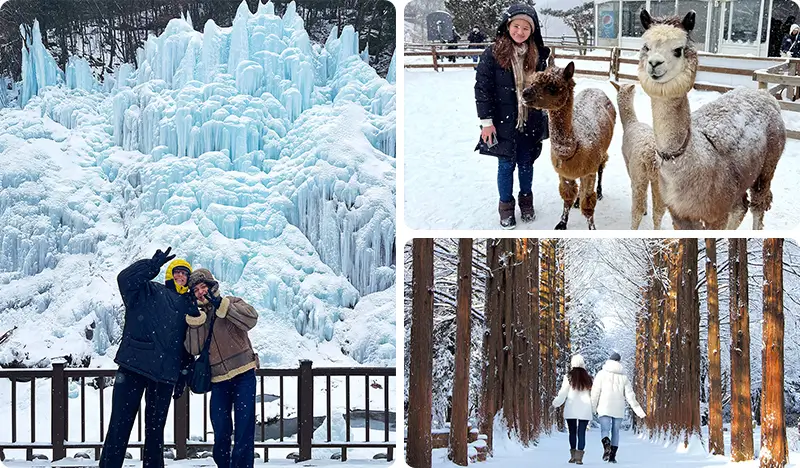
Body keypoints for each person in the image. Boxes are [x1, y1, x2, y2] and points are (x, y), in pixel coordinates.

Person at [100, 248, 195, 468]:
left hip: (164, 376)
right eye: (177, 272)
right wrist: (151, 266)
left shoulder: (187, 306)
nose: (181, 276)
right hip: (134, 367)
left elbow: (187, 344)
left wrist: (183, 372)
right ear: (169, 274)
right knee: (119, 427)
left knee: (155, 432)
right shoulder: (148, 289)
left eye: (185, 274)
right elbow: (124, 279)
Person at [474, 4, 550, 229]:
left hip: (531, 120)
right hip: (502, 121)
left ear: (532, 31)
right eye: (516, 26)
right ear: (508, 26)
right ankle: (506, 207)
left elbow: (544, 87)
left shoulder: (538, 55)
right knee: (506, 166)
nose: (520, 32)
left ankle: (526, 201)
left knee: (527, 164)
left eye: (526, 28)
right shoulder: (493, 54)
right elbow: (482, 89)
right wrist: (486, 123)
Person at [185, 268, 259, 468]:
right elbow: (194, 348)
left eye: (203, 287)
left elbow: (251, 319)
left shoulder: (231, 301)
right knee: (221, 429)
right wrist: (195, 321)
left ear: (212, 286)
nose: (201, 292)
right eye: (196, 290)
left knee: (244, 428)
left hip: (244, 373)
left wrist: (225, 307)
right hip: (218, 380)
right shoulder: (198, 316)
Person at [590, 352, 646, 464]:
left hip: (604, 407)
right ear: (619, 362)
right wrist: (640, 412)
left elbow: (595, 393)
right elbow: (630, 396)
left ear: (609, 361)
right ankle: (612, 457)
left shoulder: (601, 374)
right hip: (618, 409)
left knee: (605, 430)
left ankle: (606, 445)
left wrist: (591, 408)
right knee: (615, 431)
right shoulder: (624, 378)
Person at [552, 355, 594, 465]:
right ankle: (579, 458)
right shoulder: (588, 378)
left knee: (572, 432)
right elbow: (592, 395)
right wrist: (594, 407)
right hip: (585, 409)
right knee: (581, 433)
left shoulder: (569, 377)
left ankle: (572, 456)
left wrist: (556, 402)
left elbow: (563, 392)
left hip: (571, 408)